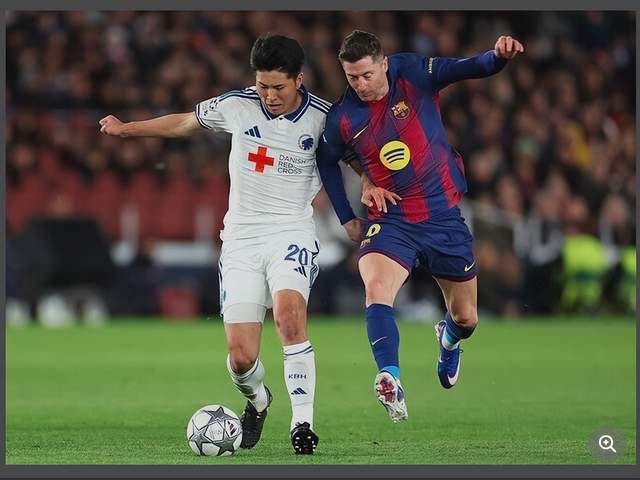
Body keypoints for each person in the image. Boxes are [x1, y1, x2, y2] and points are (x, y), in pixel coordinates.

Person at [99, 35, 331, 454]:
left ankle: (302, 425)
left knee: (289, 317)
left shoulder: (322, 118)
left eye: (278, 87)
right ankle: (258, 401)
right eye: (262, 85)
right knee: (241, 358)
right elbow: (185, 122)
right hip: (241, 239)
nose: (269, 95)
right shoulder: (237, 105)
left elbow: (358, 156)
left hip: (291, 232)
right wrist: (127, 129)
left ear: (299, 80)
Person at [317, 30, 523, 422]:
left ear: (384, 64)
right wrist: (347, 215)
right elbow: (327, 160)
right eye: (351, 77)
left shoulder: (413, 73)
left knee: (467, 318)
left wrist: (498, 56)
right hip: (391, 218)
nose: (360, 85)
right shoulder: (343, 117)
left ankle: (449, 340)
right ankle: (389, 376)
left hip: (442, 216)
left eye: (367, 75)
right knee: (376, 289)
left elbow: (468, 68)